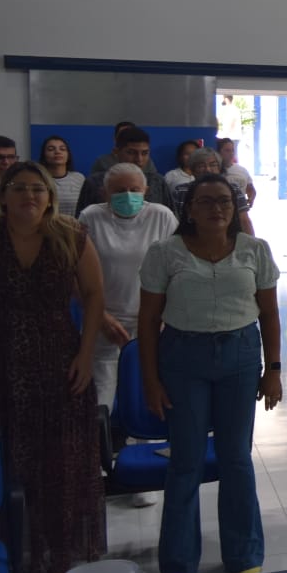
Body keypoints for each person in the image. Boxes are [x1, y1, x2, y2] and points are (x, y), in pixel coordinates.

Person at [139, 174, 282, 573]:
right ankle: (179, 564)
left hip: (239, 356)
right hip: (183, 358)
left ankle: (243, 554)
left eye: (223, 201)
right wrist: (150, 379)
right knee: (185, 461)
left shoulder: (255, 250)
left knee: (236, 458)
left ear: (235, 208)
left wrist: (273, 371)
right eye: (205, 201)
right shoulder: (165, 252)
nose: (216, 209)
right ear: (190, 208)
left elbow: (270, 315)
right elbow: (148, 321)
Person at [0, 161, 107, 573]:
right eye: (19, 188)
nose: (29, 195)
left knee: (62, 468)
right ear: (4, 195)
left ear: (49, 197)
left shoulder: (71, 235)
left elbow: (96, 294)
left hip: (62, 363)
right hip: (6, 364)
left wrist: (85, 354)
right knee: (14, 465)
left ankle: (59, 561)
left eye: (37, 189)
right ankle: (17, 561)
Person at [78, 163, 177, 415]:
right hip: (104, 319)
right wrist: (101, 318)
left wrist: (167, 316)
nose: (128, 195)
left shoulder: (161, 216)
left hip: (154, 319)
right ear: (105, 193)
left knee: (148, 388)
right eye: (119, 190)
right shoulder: (91, 217)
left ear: (145, 190)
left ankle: (141, 441)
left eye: (134, 189)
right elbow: (78, 275)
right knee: (101, 392)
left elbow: (178, 270)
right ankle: (102, 446)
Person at [75, 126, 172, 215]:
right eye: (131, 153)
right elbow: (81, 223)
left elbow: (172, 220)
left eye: (144, 153)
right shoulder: (95, 183)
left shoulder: (157, 182)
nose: (139, 159)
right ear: (116, 152)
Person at [172, 148, 254, 235]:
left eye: (212, 165)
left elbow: (244, 220)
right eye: (201, 166)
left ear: (219, 168)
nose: (208, 169)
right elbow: (176, 222)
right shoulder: (181, 191)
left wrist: (252, 245)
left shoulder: (233, 189)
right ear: (192, 170)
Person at [40, 134, 86, 219]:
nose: (57, 152)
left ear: (68, 155)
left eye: (62, 149)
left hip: (75, 228)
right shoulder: (39, 179)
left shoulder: (79, 178)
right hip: (47, 229)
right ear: (44, 155)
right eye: (51, 149)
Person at [216, 138, 258, 211]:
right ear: (219, 152)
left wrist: (250, 199)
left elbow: (250, 189)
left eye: (232, 150)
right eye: (227, 150)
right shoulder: (214, 171)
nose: (231, 153)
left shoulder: (242, 170)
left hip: (240, 210)